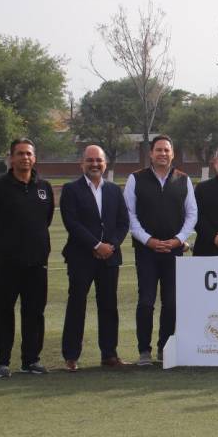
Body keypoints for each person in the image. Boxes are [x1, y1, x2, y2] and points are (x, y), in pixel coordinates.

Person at [0, 138, 54, 378]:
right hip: (7, 263)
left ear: (34, 157)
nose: (25, 158)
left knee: (34, 313)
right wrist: (1, 243)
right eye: (20, 154)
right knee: (2, 312)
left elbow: (46, 220)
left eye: (29, 154)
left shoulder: (44, 187)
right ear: (11, 158)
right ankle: (1, 361)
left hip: (36, 263)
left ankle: (31, 360)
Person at [124, 134, 198, 367]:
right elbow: (129, 215)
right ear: (151, 154)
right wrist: (148, 240)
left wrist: (178, 240)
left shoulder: (183, 180)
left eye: (167, 150)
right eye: (158, 150)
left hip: (174, 251)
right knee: (146, 301)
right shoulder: (135, 179)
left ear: (172, 154)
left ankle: (164, 348)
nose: (163, 154)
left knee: (172, 303)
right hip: (146, 251)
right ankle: (144, 351)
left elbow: (192, 214)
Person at [59, 145, 130, 371]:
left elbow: (123, 223)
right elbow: (72, 223)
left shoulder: (114, 190)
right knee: (76, 305)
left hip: (110, 258)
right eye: (90, 160)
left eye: (98, 160)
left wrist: (111, 246)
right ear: (82, 164)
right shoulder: (71, 189)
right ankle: (71, 355)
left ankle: (109, 354)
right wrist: (96, 244)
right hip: (81, 257)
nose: (94, 164)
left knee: (109, 306)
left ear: (105, 163)